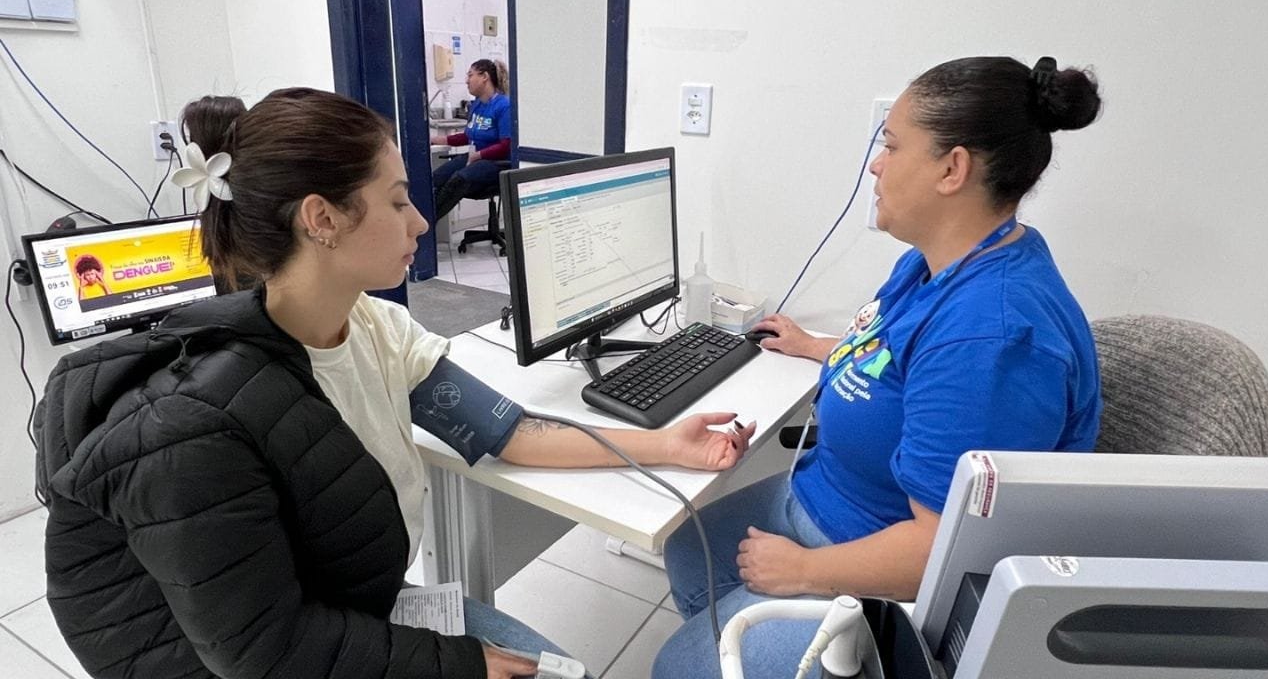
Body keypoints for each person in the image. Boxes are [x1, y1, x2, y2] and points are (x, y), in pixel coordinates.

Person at [34, 87, 756, 679]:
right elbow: (263, 652)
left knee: (560, 673)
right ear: (321, 220)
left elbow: (506, 429)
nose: (419, 220)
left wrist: (662, 443)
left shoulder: (376, 328)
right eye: (398, 200)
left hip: (348, 606)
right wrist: (459, 665)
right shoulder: (197, 424)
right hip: (244, 658)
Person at [652, 56, 1104, 679]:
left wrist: (803, 571)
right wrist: (819, 346)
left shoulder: (990, 339)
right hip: (831, 500)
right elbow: (896, 349)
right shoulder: (940, 261)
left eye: (891, 145)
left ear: (953, 168)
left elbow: (942, 550)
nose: (876, 163)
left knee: (677, 669)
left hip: (887, 580)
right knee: (685, 546)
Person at [431, 58, 512, 221]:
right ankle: (422, 223)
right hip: (475, 158)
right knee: (435, 179)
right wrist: (439, 140)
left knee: (459, 179)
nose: (467, 81)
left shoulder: (504, 106)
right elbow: (469, 135)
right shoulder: (476, 105)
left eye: (470, 75)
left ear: (484, 77)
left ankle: (426, 226)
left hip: (496, 163)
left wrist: (478, 155)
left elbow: (506, 146)